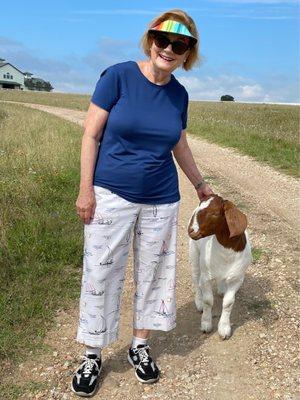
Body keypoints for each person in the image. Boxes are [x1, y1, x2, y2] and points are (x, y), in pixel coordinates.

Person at [71, 8, 214, 398]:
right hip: (111, 194)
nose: (168, 49)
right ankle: (92, 352)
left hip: (162, 200)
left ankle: (139, 346)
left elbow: (178, 142)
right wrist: (86, 190)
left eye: (179, 45)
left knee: (154, 276)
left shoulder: (178, 95)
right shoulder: (117, 76)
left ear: (188, 53)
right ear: (150, 40)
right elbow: (90, 135)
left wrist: (199, 184)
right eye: (161, 39)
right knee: (101, 274)